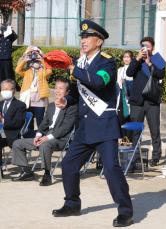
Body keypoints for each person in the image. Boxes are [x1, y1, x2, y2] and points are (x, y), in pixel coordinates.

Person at [52, 19, 133, 227]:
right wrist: (66, 100)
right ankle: (72, 203)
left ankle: (125, 211)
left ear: (99, 41)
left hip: (104, 126)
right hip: (85, 127)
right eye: (82, 37)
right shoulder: (81, 63)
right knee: (69, 164)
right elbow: (78, 94)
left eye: (88, 37)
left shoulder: (107, 62)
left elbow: (97, 82)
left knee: (112, 169)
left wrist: (72, 67)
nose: (83, 40)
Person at [11, 79, 78, 185]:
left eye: (61, 88)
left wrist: (47, 138)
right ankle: (26, 172)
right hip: (46, 137)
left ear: (67, 92)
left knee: (45, 145)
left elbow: (65, 128)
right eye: (56, 88)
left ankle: (47, 174)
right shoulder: (51, 105)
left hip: (61, 139)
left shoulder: (72, 108)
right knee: (17, 143)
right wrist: (38, 135)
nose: (57, 91)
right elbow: (44, 123)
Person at [126, 36, 166, 167]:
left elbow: (161, 74)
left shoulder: (157, 59)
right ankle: (136, 156)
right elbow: (129, 72)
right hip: (137, 101)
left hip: (152, 101)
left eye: (148, 46)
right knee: (136, 130)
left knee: (155, 130)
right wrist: (137, 59)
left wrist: (149, 62)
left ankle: (156, 156)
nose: (145, 48)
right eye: (143, 46)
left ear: (152, 47)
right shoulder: (136, 60)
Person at [15, 46, 52, 136]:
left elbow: (50, 71)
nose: (35, 61)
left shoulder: (43, 71)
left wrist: (42, 59)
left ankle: (40, 136)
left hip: (40, 100)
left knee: (40, 120)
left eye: (37, 60)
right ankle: (30, 136)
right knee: (29, 120)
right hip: (28, 100)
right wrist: (25, 59)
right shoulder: (27, 71)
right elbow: (17, 70)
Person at [0, 79, 26, 178]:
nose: (5, 91)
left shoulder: (20, 105)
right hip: (1, 133)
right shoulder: (0, 104)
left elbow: (18, 123)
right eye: (3, 89)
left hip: (13, 134)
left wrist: (3, 121)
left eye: (8, 89)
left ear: (14, 90)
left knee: (16, 143)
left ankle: (25, 170)